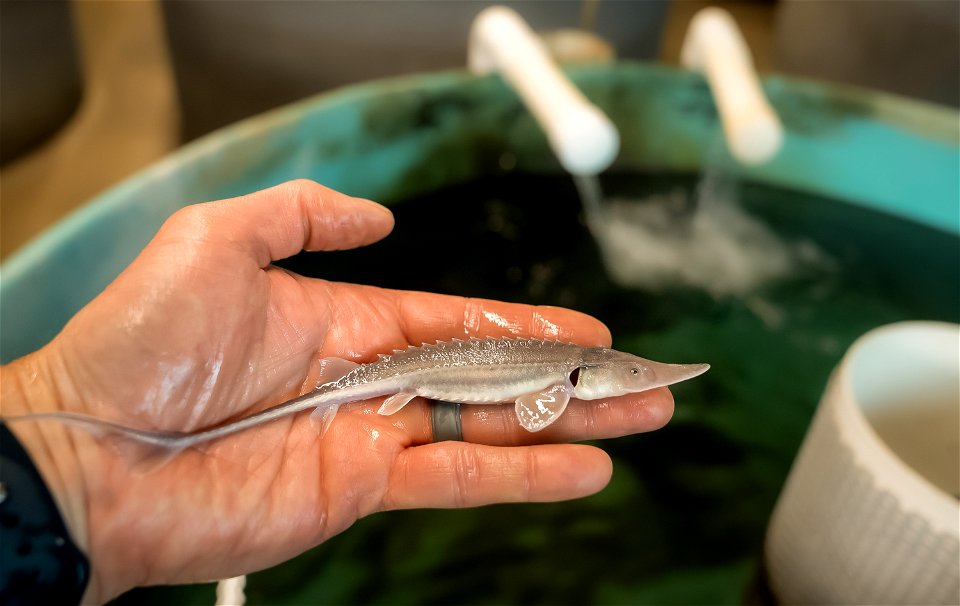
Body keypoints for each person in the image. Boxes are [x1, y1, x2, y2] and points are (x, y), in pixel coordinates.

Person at [0, 180, 674, 603]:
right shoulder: (560, 374)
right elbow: (535, 406)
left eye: (635, 371)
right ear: (593, 374)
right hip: (397, 378)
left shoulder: (564, 371)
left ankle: (70, 460)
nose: (639, 376)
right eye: (634, 373)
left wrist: (56, 471)